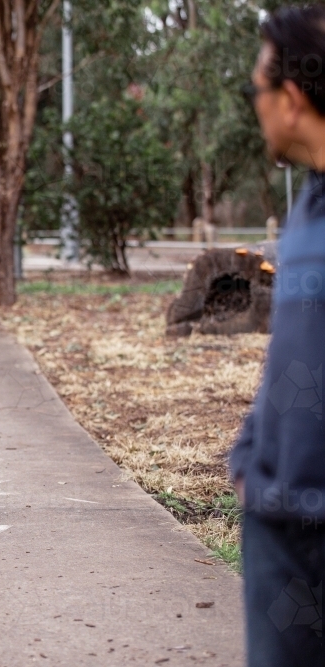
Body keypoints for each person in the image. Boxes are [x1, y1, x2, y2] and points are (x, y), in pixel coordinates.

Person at [230, 6, 325, 665]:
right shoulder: (309, 206)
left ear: (290, 98)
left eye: (255, 90)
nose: (254, 105)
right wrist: (251, 451)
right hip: (279, 522)